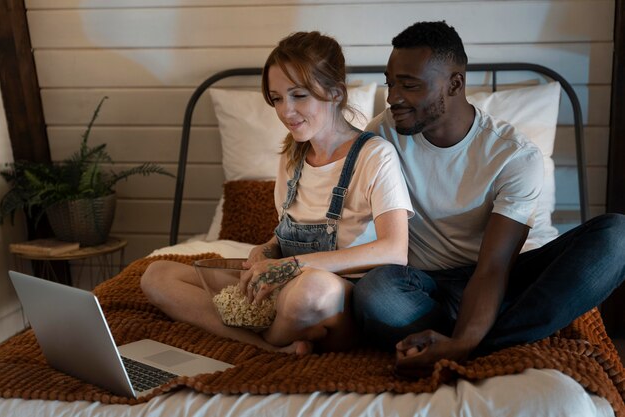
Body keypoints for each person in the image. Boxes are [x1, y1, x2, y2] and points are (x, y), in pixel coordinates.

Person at [352, 21, 625, 378]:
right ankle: (497, 337)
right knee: (375, 293)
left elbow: (494, 266)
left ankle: (465, 345)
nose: (393, 97)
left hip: (497, 279)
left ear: (455, 84)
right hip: (420, 288)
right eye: (390, 82)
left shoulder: (513, 155)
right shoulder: (380, 136)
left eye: (409, 85)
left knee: (617, 236)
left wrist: (463, 342)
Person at [141, 31, 413, 354]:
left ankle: (260, 339)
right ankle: (274, 346)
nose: (286, 111)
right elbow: (287, 231)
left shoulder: (374, 156)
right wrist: (268, 250)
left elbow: (395, 250)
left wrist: (293, 266)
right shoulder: (291, 156)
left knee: (308, 290)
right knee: (157, 275)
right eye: (277, 98)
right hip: (282, 283)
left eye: (298, 95)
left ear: (336, 92)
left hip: (337, 297)